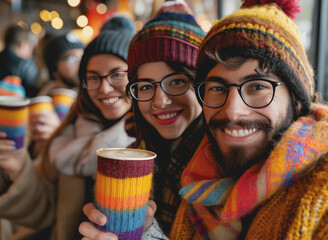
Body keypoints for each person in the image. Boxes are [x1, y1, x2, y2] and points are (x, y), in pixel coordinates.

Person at [82, 0, 328, 239]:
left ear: (298, 99)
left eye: (258, 86)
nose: (233, 111)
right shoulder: (205, 181)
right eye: (217, 88)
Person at [78, 0, 206, 239]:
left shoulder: (226, 160)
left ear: (203, 84)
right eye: (146, 86)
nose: (160, 101)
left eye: (177, 81)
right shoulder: (135, 151)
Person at [0, 28, 137, 240]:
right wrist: (18, 167)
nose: (104, 88)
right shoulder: (71, 135)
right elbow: (44, 212)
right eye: (93, 78)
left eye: (117, 74)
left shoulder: (148, 140)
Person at [0, 24, 39, 97]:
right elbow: (32, 95)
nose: (30, 54)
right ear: (23, 45)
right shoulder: (26, 65)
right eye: (30, 48)